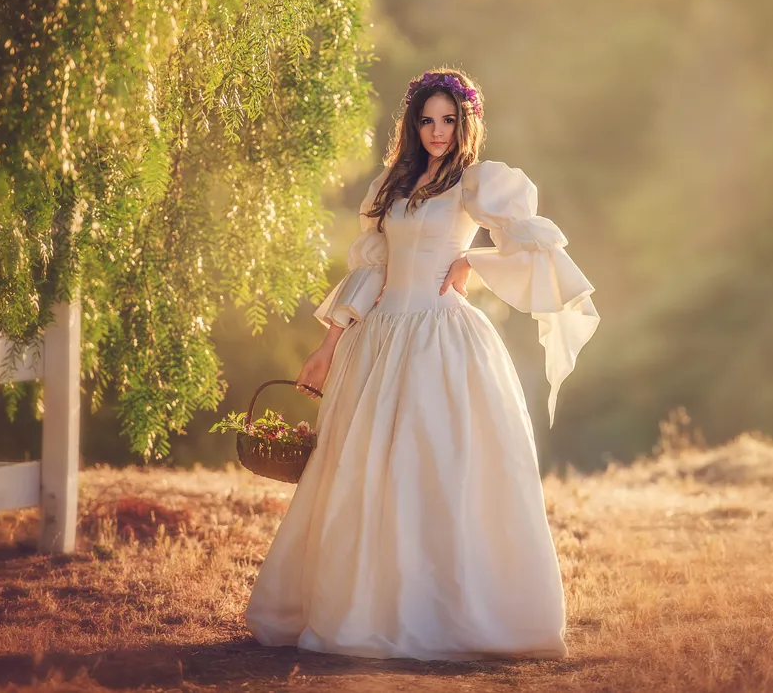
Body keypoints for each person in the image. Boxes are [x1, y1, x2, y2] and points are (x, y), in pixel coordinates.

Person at [245, 67, 600, 661]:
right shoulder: (393, 183)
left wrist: (474, 263)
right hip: (381, 336)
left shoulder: (475, 182)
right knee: (364, 470)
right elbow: (371, 270)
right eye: (427, 119)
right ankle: (367, 608)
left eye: (448, 120)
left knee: (438, 464)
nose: (437, 131)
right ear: (413, 123)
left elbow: (535, 241)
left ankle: (448, 614)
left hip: (442, 338)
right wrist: (328, 346)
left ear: (466, 123)